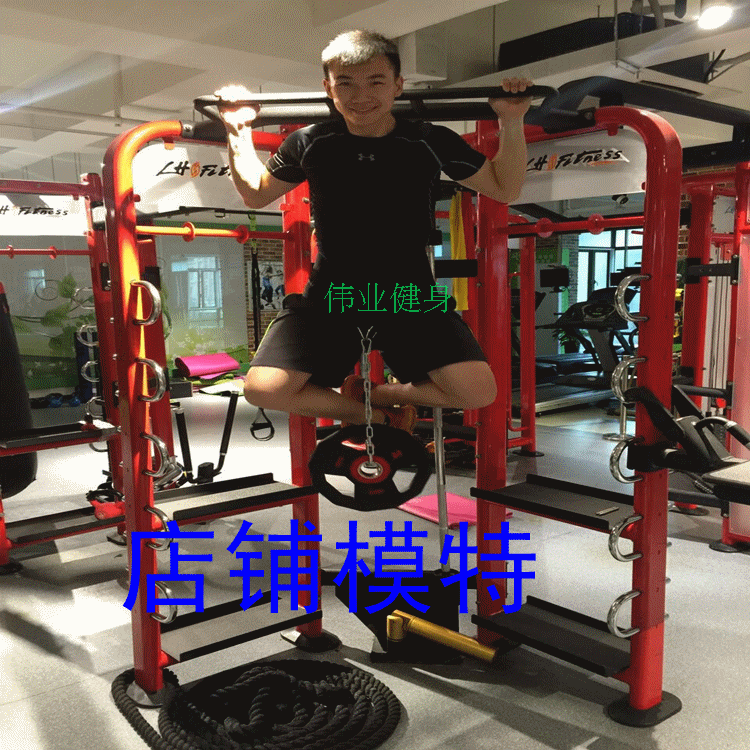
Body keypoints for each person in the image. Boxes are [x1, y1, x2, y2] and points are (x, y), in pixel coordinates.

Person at [215, 30, 533, 430]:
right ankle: (377, 416)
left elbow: (505, 187)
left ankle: (379, 394)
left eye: (376, 82)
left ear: (398, 85)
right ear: (328, 88)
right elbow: (256, 193)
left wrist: (511, 120)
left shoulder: (429, 140)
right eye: (346, 83)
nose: (360, 96)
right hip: (333, 293)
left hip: (407, 293)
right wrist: (238, 130)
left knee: (478, 392)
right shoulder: (309, 142)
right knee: (263, 389)